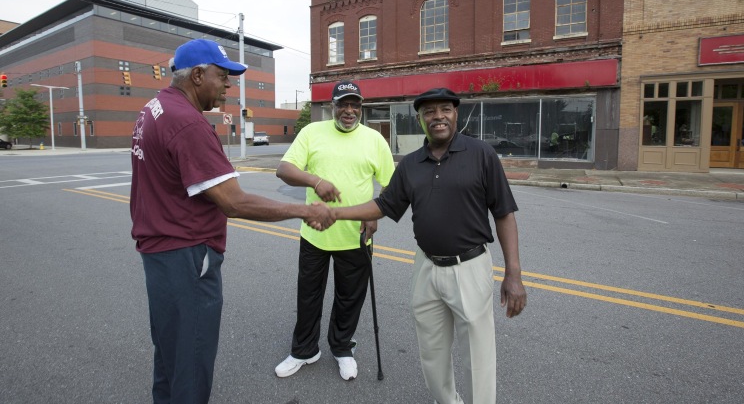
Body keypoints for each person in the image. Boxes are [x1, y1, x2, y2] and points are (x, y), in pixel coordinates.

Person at [130, 38, 335, 403]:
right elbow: (234, 202)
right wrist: (307, 210)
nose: (228, 85)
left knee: (171, 354)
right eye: (222, 76)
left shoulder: (154, 107)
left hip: (158, 252)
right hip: (186, 255)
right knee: (191, 359)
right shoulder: (188, 123)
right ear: (197, 75)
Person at [334, 87, 527, 404]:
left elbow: (504, 214)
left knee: (478, 359)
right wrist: (336, 213)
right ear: (420, 119)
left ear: (456, 113)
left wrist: (514, 274)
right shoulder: (410, 164)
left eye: (445, 109)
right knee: (432, 355)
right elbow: (384, 205)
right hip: (425, 268)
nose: (438, 116)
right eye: (429, 112)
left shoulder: (481, 154)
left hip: (470, 267)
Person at [274, 80, 395, 381]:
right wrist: (316, 181)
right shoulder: (311, 132)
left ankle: (342, 348)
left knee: (350, 297)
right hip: (314, 234)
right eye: (343, 104)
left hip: (356, 236)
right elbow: (284, 170)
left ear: (361, 108)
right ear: (332, 107)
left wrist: (376, 213)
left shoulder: (374, 139)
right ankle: (304, 350)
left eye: (355, 105)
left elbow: (392, 186)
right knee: (308, 296)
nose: (349, 110)